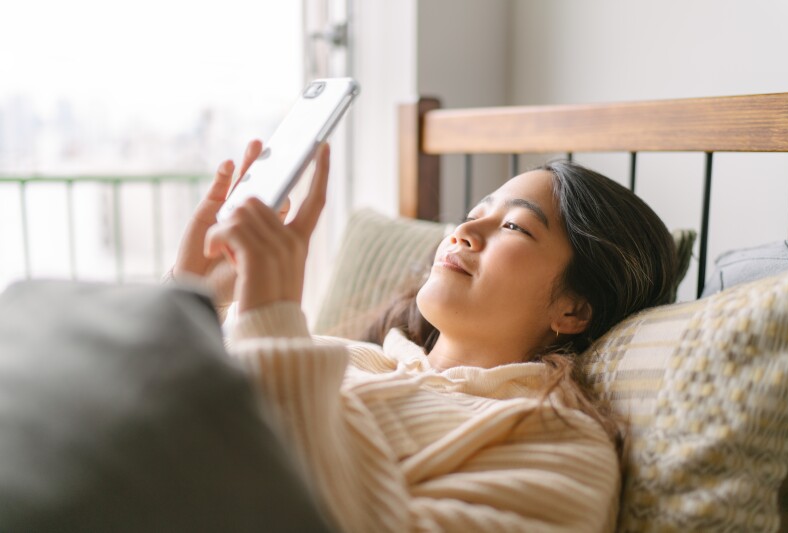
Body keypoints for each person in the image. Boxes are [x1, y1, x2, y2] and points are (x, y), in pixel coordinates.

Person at [172, 139, 678, 532]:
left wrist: (272, 325)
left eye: (516, 228)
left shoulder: (560, 450)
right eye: (476, 212)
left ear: (574, 309)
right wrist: (194, 302)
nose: (463, 232)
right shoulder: (348, 356)